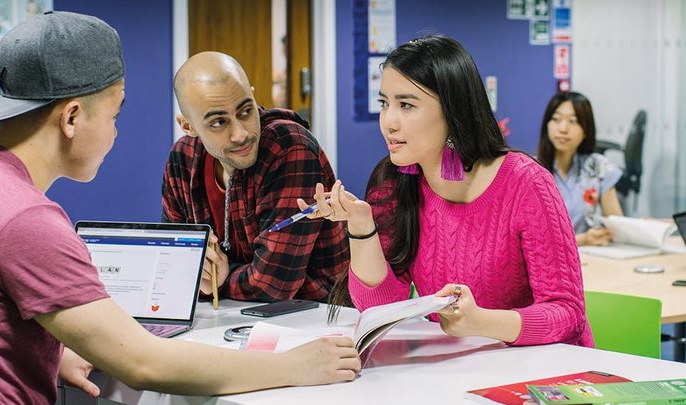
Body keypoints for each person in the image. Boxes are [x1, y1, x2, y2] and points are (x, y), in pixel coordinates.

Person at [0, 11, 360, 404]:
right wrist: (294, 367)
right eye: (115, 114)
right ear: (71, 118)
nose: (116, 131)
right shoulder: (28, 222)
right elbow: (143, 363)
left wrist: (53, 355)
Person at [301, 35, 593, 347]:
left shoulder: (527, 183)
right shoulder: (393, 181)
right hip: (457, 369)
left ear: (453, 112)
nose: (389, 121)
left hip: (548, 370)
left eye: (407, 105)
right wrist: (361, 227)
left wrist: (481, 322)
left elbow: (567, 313)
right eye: (385, 104)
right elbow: (378, 309)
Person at [162, 51, 348, 302]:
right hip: (224, 317)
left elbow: (273, 286)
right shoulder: (182, 158)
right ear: (188, 126)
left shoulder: (289, 148)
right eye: (218, 122)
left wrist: (220, 278)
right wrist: (200, 276)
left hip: (313, 316)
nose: (240, 134)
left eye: (245, 111)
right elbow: (174, 262)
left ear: (252, 95)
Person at [536, 92, 624, 246]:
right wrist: (582, 240)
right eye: (556, 119)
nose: (563, 128)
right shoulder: (532, 171)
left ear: (585, 130)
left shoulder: (599, 167)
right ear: (547, 125)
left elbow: (618, 228)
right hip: (549, 265)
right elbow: (531, 242)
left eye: (573, 121)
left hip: (594, 260)